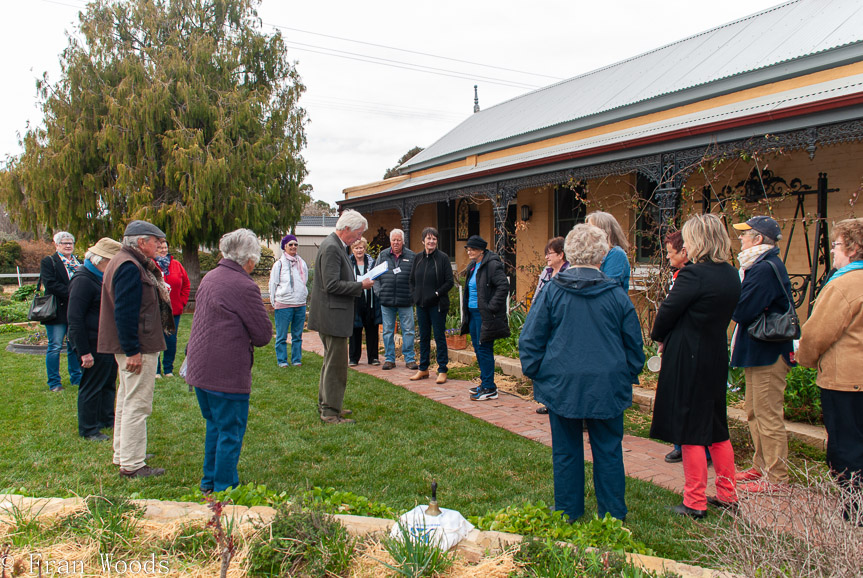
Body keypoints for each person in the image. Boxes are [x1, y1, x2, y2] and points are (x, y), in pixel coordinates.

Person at [520, 224, 644, 522]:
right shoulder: (614, 295)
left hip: (564, 383)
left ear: (571, 254)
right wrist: (625, 373)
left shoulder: (555, 292)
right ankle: (612, 516)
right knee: (608, 451)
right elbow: (635, 346)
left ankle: (568, 511)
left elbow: (529, 339)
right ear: (602, 255)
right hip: (602, 383)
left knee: (566, 451)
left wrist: (540, 373)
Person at [650, 214, 741, 519]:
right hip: (715, 353)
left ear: (699, 240)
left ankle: (695, 501)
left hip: (688, 356)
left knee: (690, 429)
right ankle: (728, 494)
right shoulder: (731, 274)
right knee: (717, 427)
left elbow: (667, 313)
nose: (685, 244)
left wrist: (658, 337)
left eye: (688, 238)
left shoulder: (693, 276)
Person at [185, 229, 273, 493]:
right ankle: (224, 488)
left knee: (215, 426)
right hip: (225, 372)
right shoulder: (244, 286)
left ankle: (209, 483)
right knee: (230, 433)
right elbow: (263, 334)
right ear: (249, 259)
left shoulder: (210, 277)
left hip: (201, 368)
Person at [796, 218, 863, 527]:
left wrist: (805, 359)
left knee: (846, 448)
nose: (833, 252)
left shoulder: (844, 284)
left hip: (845, 381)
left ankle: (854, 514)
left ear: (851, 247)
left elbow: (816, 334)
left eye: (836, 245)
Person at [98, 220, 172, 478]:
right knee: (137, 404)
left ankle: (124, 452)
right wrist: (132, 351)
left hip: (134, 344)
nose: (159, 246)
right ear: (141, 242)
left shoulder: (123, 261)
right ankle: (132, 464)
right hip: (137, 345)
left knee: (127, 399)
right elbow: (125, 313)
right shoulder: (129, 267)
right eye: (156, 241)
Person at [730, 215, 795, 492]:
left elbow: (742, 311)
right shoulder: (759, 266)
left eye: (745, 234)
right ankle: (760, 466)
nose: (740, 239)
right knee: (754, 410)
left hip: (768, 352)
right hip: (759, 350)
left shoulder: (764, 269)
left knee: (767, 414)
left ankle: (777, 476)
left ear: (758, 239)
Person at [308, 210, 374, 424]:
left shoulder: (334, 246)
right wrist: (360, 285)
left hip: (330, 315)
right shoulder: (332, 248)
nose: (358, 238)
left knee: (330, 363)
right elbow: (331, 284)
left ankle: (327, 404)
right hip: (332, 317)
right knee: (336, 366)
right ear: (346, 229)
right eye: (357, 233)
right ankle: (330, 412)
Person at [67, 237, 122, 441]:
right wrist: (83, 351)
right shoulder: (82, 279)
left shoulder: (99, 277)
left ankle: (106, 418)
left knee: (107, 381)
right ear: (101, 260)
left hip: (105, 341)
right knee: (91, 385)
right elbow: (74, 319)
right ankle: (89, 428)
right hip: (91, 342)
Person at [460, 235, 510, 401]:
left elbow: (503, 286)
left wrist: (491, 307)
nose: (469, 251)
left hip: (484, 315)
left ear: (481, 250)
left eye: (472, 249)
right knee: (477, 347)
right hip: (473, 314)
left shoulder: (493, 265)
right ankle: (486, 383)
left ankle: (489, 388)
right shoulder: (473, 266)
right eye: (468, 249)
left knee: (484, 348)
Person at [409, 227, 454, 383]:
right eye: (428, 238)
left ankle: (442, 370)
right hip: (421, 305)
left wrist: (436, 294)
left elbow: (450, 282)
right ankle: (423, 369)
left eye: (434, 238)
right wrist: (415, 295)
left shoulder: (443, 258)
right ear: (423, 241)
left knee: (439, 336)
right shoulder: (417, 258)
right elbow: (412, 280)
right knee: (424, 337)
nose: (431, 241)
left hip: (437, 305)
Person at [40, 231, 83, 392]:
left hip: (75, 311)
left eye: (70, 243)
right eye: (64, 243)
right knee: (55, 346)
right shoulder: (49, 262)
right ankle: (54, 382)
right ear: (57, 245)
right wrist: (74, 293)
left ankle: (76, 377)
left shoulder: (78, 262)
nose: (68, 245)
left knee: (74, 345)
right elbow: (50, 284)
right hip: (57, 311)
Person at [533, 236, 569, 415]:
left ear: (561, 255)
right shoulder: (546, 272)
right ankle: (549, 400)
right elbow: (537, 296)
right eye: (546, 254)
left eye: (550, 254)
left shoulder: (568, 273)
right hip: (544, 323)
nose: (547, 257)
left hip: (559, 325)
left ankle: (560, 400)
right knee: (546, 363)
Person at [375, 229, 418, 371]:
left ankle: (410, 359)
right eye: (393, 240)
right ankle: (389, 359)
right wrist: (378, 292)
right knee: (387, 331)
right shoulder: (383, 255)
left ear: (403, 241)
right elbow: (374, 276)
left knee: (409, 331)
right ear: (390, 241)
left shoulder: (411, 256)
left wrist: (413, 295)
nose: (396, 242)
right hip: (386, 300)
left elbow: (416, 279)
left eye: (398, 240)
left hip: (405, 300)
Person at [269, 234, 309, 367]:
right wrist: (274, 302)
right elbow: (273, 284)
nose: (293, 247)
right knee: (281, 335)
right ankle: (282, 360)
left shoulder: (301, 263)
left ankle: (296, 359)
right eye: (290, 245)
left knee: (297, 335)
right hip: (284, 304)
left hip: (300, 304)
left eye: (295, 244)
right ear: (284, 247)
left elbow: (305, 281)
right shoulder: (279, 264)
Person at [154, 238, 190, 378]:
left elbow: (186, 285)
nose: (163, 250)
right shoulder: (150, 265)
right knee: (156, 339)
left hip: (173, 310)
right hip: (156, 310)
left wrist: (181, 301)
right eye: (160, 247)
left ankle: (168, 369)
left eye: (165, 247)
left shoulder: (176, 265)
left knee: (170, 340)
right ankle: (156, 370)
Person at [348, 237, 381, 366]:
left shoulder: (372, 262)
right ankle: (353, 358)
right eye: (356, 248)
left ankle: (373, 357)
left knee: (372, 328)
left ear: (365, 248)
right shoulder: (349, 263)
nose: (359, 250)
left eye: (361, 247)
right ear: (353, 249)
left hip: (370, 299)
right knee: (355, 329)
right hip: (355, 300)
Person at [586, 211, 631, 291]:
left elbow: (607, 287)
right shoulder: (593, 252)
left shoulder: (616, 254)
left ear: (603, 231)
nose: (587, 232)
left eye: (590, 227)